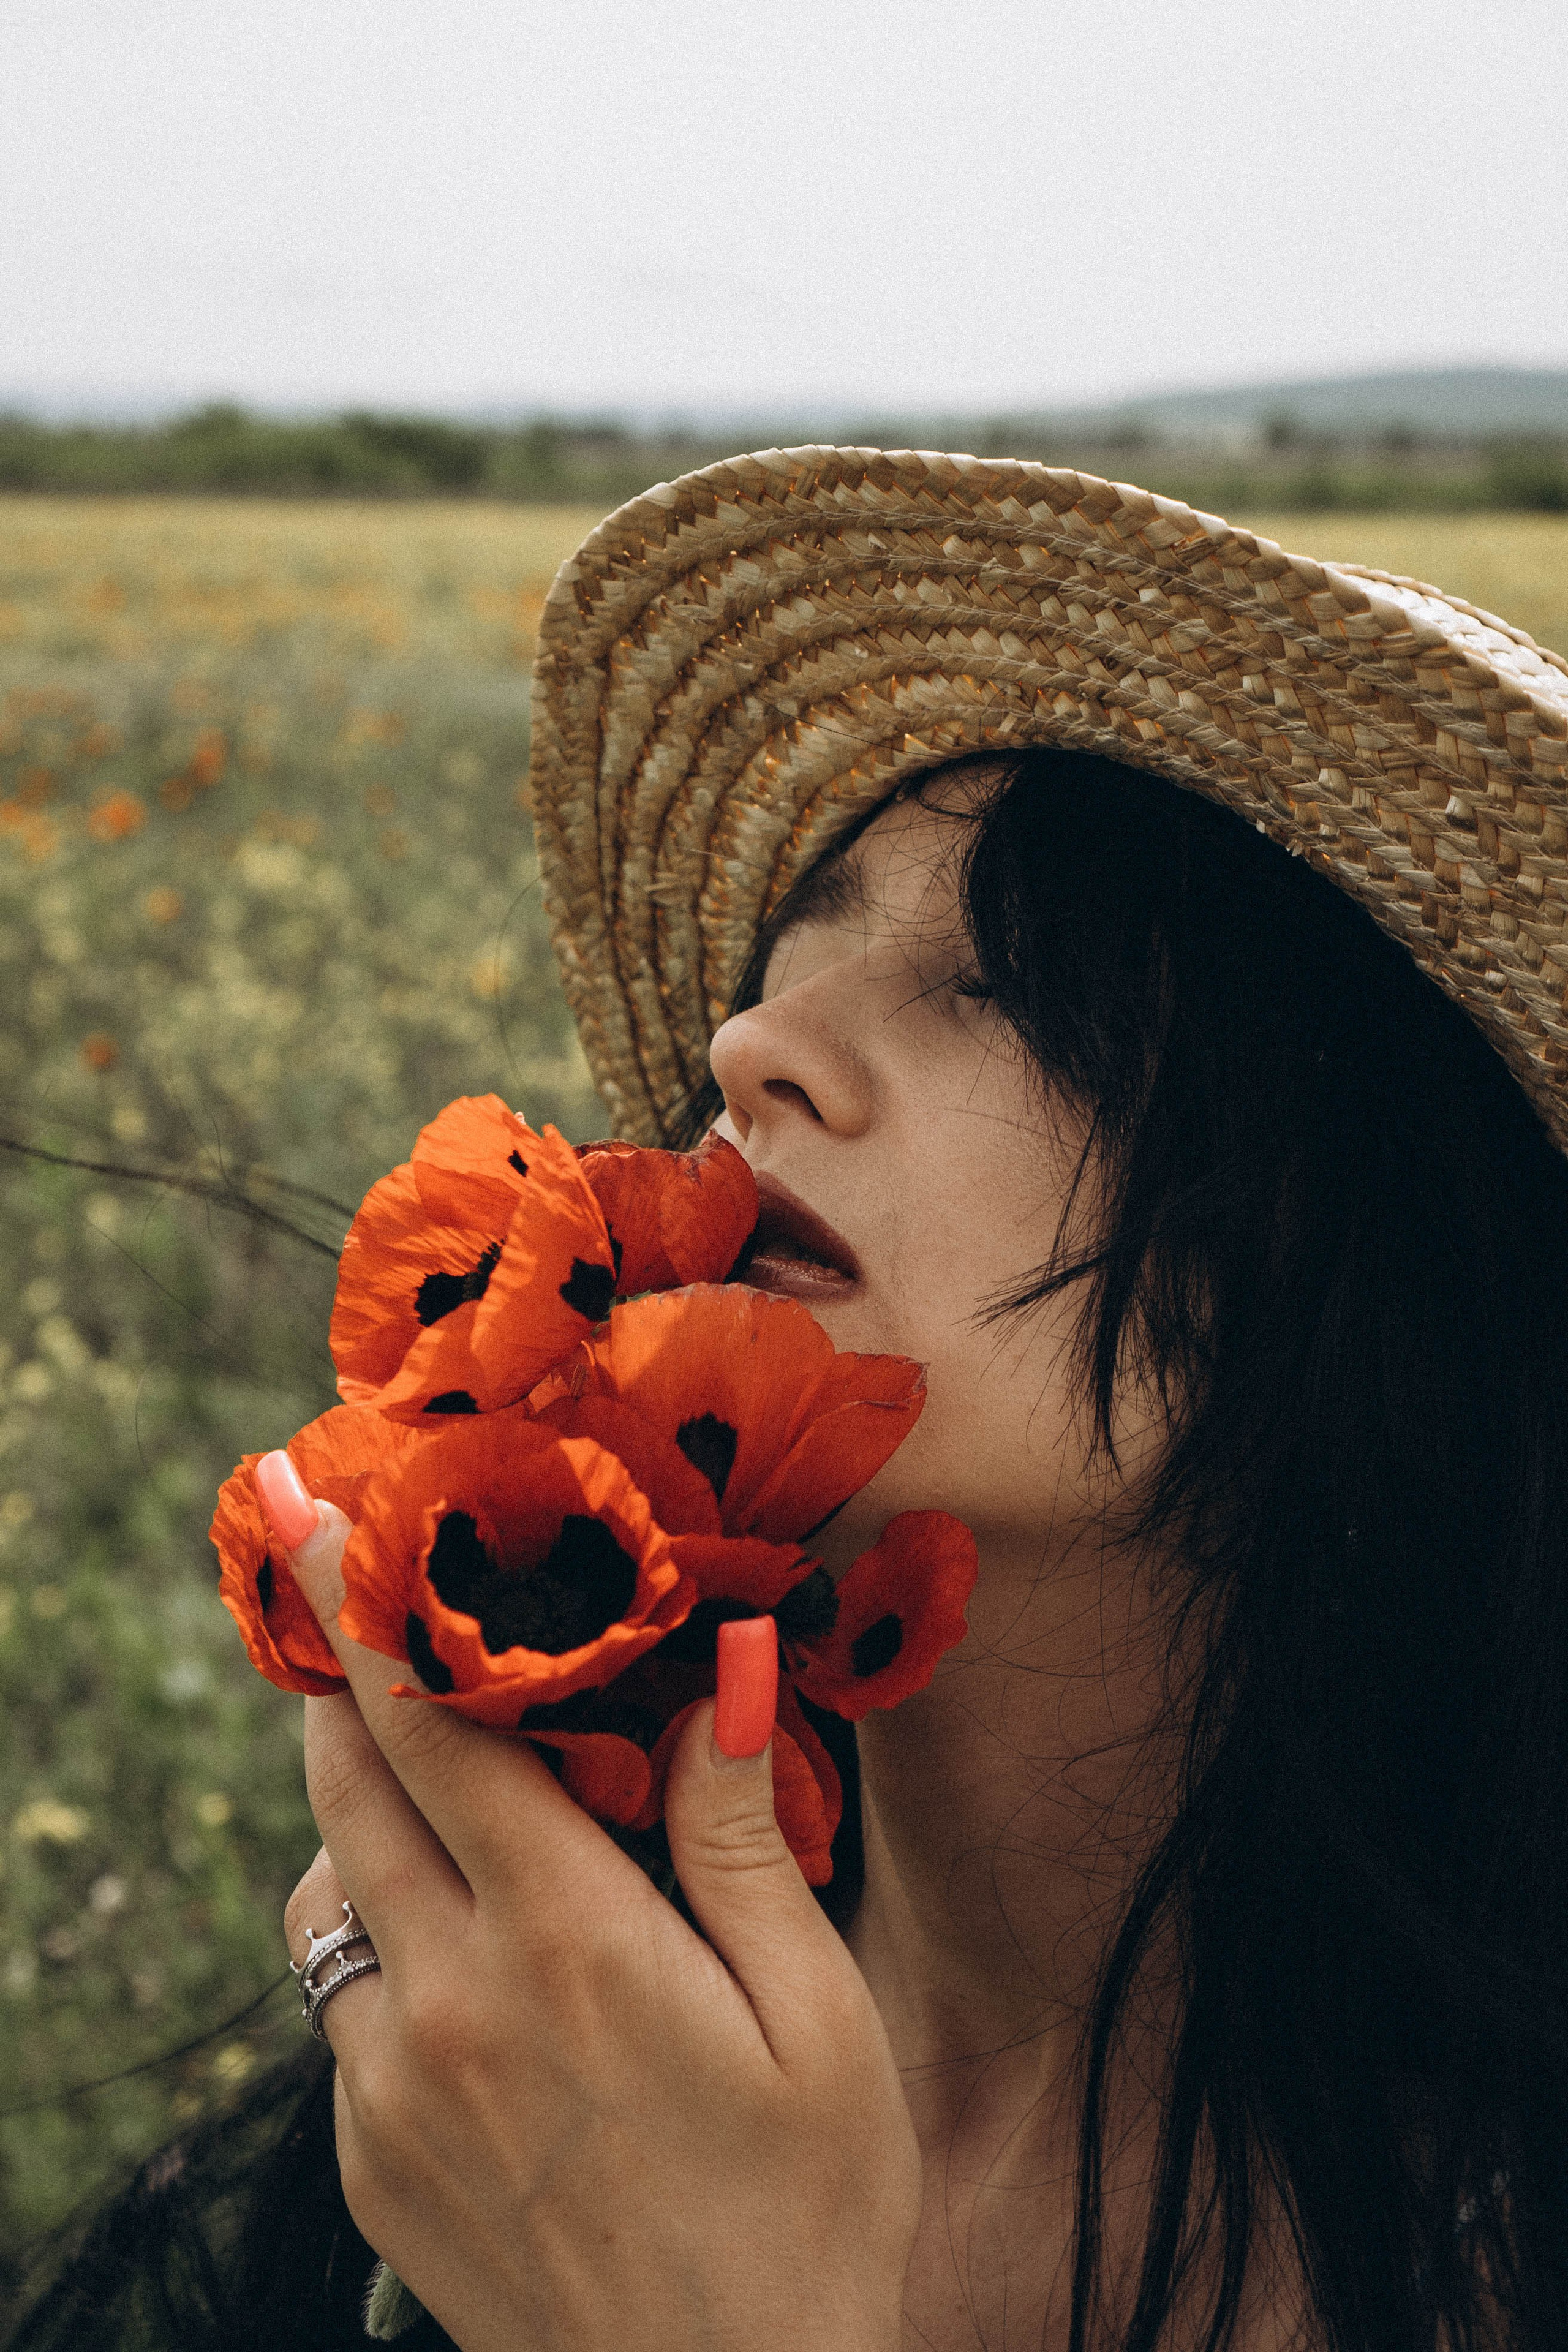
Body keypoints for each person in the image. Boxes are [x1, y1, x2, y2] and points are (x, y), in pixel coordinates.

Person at [10, 447, 1568, 2351]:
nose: (753, 1047)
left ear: (1373, 1249)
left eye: (1008, 990)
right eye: (791, 955)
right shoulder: (485, 2101)